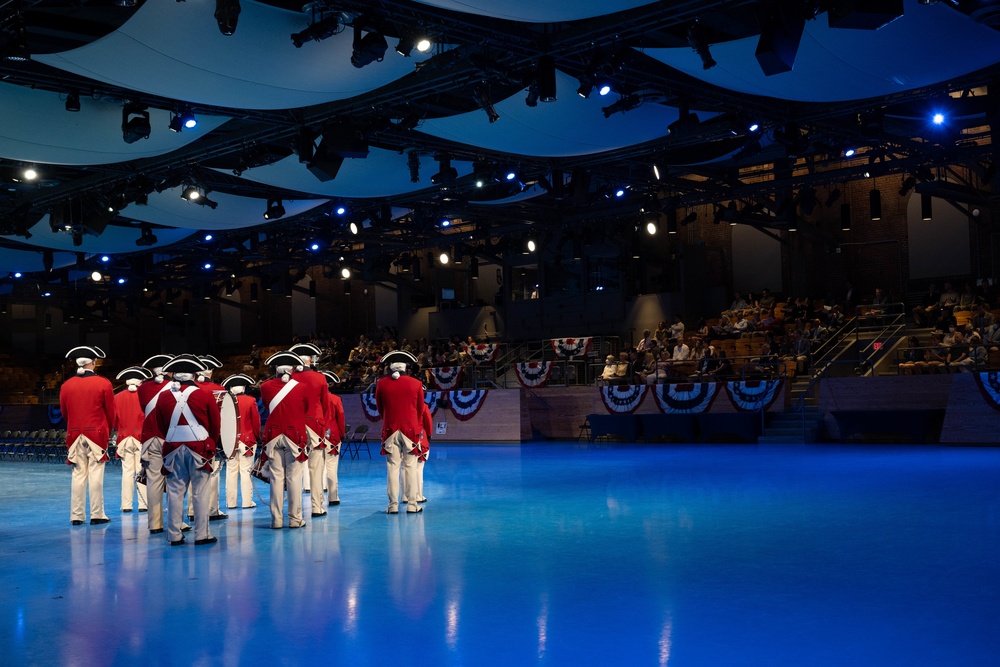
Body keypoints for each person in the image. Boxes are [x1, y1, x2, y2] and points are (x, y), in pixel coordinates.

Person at [151, 355, 221, 546]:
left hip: (173, 447)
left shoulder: (164, 396)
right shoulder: (205, 394)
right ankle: (201, 534)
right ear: (194, 375)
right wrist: (211, 443)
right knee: (200, 492)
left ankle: (174, 534)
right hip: (199, 447)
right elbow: (215, 423)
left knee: (174, 492)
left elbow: (160, 424)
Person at [60, 345, 117, 526]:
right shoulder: (103, 383)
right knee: (95, 474)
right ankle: (96, 514)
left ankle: (76, 515)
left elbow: (64, 413)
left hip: (74, 434)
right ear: (93, 363)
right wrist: (109, 429)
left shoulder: (66, 385)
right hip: (97, 434)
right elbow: (111, 413)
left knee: (77, 475)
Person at [259, 351, 311, 529]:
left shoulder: (265, 387)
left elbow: (267, 406)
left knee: (276, 479)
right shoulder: (302, 387)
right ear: (292, 370)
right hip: (294, 436)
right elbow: (305, 408)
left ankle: (276, 520)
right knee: (294, 478)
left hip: (273, 436)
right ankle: (295, 519)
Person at [375, 350, 425, 515]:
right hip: (410, 430)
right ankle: (412, 504)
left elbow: (380, 408)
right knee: (410, 467)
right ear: (406, 367)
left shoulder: (381, 383)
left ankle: (393, 505)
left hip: (390, 430)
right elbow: (420, 411)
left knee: (392, 468)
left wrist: (388, 419)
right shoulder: (416, 384)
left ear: (390, 367)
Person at [288, 343, 331, 518]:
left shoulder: (289, 378)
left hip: (294, 424)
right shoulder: (319, 378)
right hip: (315, 423)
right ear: (310, 360)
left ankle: (295, 509)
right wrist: (324, 423)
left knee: (294, 469)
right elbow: (325, 404)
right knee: (316, 468)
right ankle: (316, 506)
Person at [137, 354, 177, 535]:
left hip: (148, 438)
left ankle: (155, 524)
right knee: (176, 482)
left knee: (153, 482)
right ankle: (177, 522)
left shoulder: (143, 388)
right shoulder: (175, 387)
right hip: (169, 437)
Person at [192, 355, 228, 522]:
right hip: (210, 437)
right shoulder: (219, 389)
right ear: (210, 372)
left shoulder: (190, 389)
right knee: (212, 474)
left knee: (192, 476)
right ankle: (212, 510)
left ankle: (192, 510)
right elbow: (222, 418)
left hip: (190, 436)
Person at [113, 366, 153, 514]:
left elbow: (114, 420)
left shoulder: (117, 397)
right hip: (141, 438)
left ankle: (126, 504)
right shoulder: (145, 396)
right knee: (141, 471)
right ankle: (143, 503)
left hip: (124, 438)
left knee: (127, 473)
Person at [222, 373, 261, 510]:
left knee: (231, 472)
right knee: (245, 471)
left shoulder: (225, 401)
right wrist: (257, 437)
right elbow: (256, 422)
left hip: (230, 442)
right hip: (247, 440)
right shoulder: (250, 401)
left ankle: (231, 503)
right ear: (243, 388)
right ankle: (246, 502)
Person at [320, 370, 346, 507]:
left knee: (316, 468)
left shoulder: (313, 399)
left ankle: (317, 498)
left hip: (316, 435)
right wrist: (342, 434)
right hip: (333, 436)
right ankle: (333, 496)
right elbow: (340, 418)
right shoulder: (335, 399)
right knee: (331, 467)